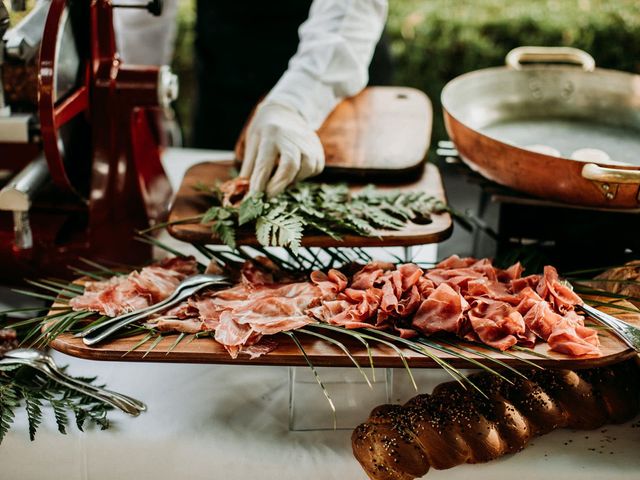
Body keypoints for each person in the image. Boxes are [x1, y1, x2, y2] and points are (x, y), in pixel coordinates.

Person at [114, 0, 388, 197]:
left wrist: (294, 104)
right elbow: (140, 16)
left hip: (335, 82)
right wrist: (141, 107)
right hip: (225, 78)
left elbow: (351, 9)